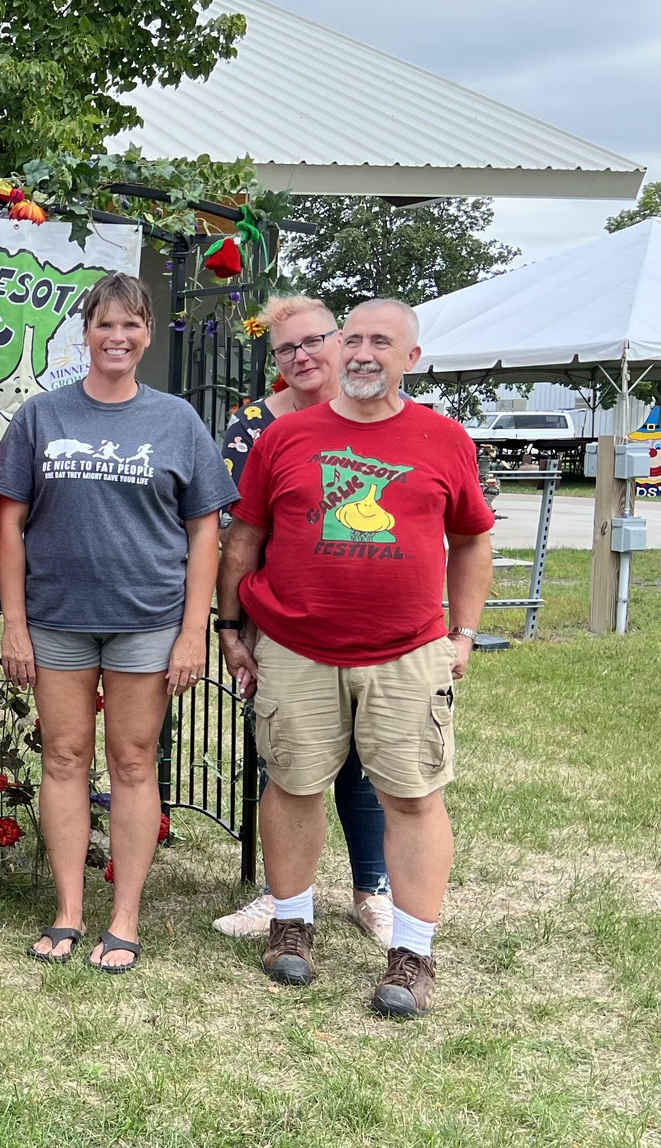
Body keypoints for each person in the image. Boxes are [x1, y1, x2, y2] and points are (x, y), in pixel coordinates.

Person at [220, 298, 493, 1017]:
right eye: (358, 339)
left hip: (406, 652)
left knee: (412, 796)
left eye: (384, 342)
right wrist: (228, 626)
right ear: (341, 350)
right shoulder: (287, 437)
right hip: (295, 647)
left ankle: (413, 951)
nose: (366, 352)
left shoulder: (442, 437)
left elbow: (470, 538)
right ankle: (291, 922)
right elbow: (243, 539)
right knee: (293, 784)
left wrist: (462, 632)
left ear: (412, 358)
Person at [0, 272, 236, 973]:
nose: (116, 337)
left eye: (130, 326)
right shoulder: (42, 417)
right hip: (57, 618)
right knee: (63, 759)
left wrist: (194, 631)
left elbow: (206, 532)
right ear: (85, 334)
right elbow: (10, 522)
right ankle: (68, 912)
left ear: (147, 334)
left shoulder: (177, 421)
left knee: (131, 762)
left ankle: (123, 917)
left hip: (147, 620)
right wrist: (14, 622)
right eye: (104, 325)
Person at [213, 296, 393, 945]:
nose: (303, 356)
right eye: (287, 348)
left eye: (315, 340)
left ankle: (373, 891)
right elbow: (238, 533)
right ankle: (284, 898)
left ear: (340, 339)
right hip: (282, 622)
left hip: (372, 623)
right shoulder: (253, 427)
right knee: (288, 756)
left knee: (368, 763)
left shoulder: (377, 413)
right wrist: (240, 623)